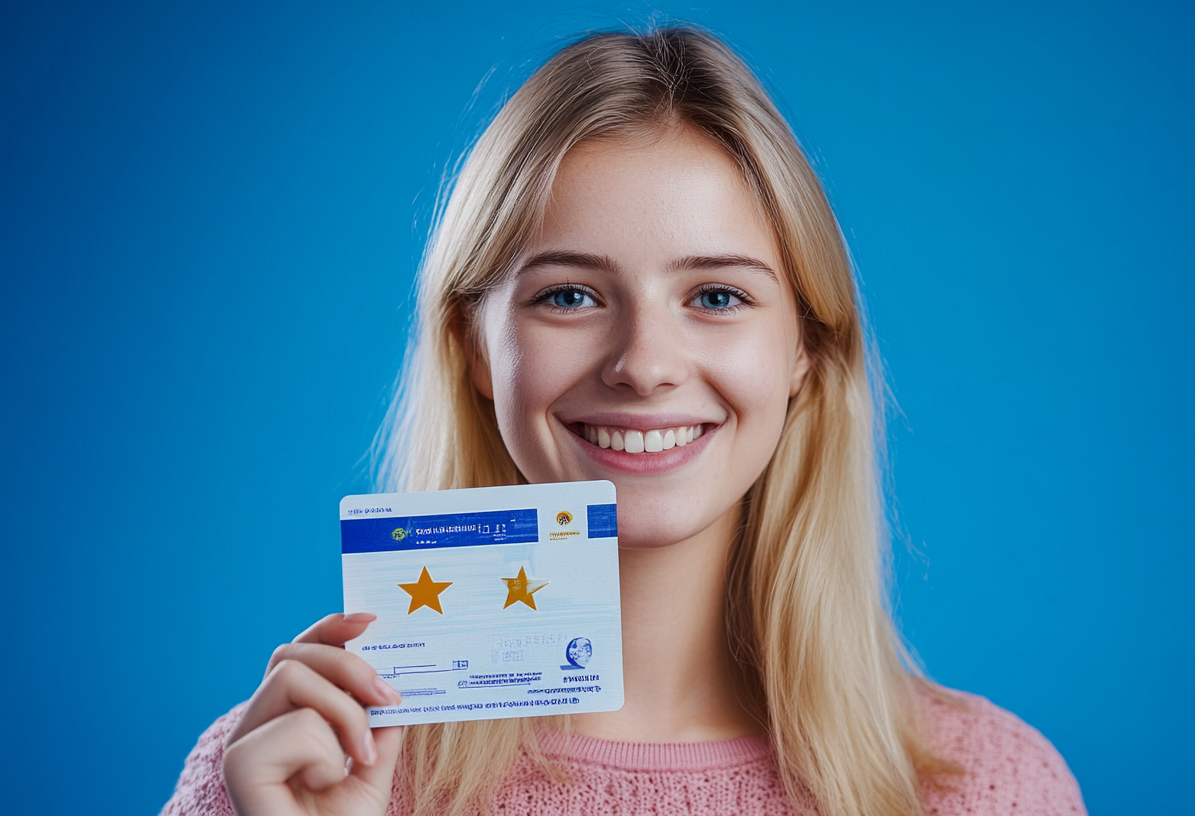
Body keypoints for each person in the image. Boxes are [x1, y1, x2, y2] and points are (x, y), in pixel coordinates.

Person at [162, 27, 1085, 816]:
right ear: (476, 348)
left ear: (805, 351)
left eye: (717, 295)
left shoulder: (990, 787)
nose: (644, 363)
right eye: (569, 295)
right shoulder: (278, 776)